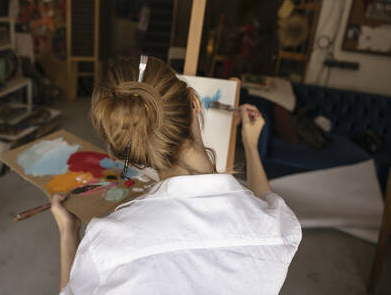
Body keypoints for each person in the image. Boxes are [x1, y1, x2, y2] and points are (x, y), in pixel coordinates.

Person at [51, 57, 302, 295]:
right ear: (194, 102)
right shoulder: (277, 230)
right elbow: (266, 200)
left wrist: (69, 233)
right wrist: (250, 146)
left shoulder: (106, 245)